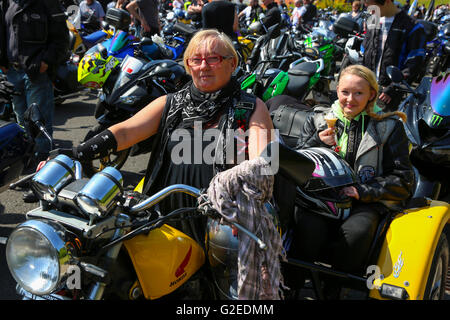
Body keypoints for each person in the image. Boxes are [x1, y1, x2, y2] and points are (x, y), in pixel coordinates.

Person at [45, 29, 274, 234]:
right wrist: (75, 153)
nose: (203, 66)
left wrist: (246, 200)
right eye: (196, 59)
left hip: (220, 222)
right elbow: (125, 132)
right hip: (161, 217)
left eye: (213, 59)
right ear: (188, 65)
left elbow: (264, 163)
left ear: (232, 63)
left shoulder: (251, 107)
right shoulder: (172, 103)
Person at [289, 65, 414, 298]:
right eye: (345, 92)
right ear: (337, 90)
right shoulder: (318, 119)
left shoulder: (389, 126)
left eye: (358, 93)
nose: (350, 99)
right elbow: (297, 164)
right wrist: (315, 142)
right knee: (306, 230)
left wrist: (362, 191)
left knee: (355, 236)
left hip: (365, 202)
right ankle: (292, 287)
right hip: (321, 199)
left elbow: (403, 180)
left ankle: (333, 288)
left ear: (372, 94)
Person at [0, 0, 70, 202]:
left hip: (36, 74)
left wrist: (45, 63)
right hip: (12, 73)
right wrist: (3, 62)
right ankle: (26, 171)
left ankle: (43, 178)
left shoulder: (47, 3)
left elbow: (61, 39)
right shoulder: (6, 3)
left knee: (40, 126)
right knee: (22, 124)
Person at [361, 0, 425, 111]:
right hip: (366, 87)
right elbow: (364, 51)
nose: (368, 9)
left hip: (388, 95)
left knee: (383, 126)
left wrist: (394, 88)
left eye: (371, 5)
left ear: (387, 2)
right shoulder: (373, 20)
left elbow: (414, 63)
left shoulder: (413, 27)